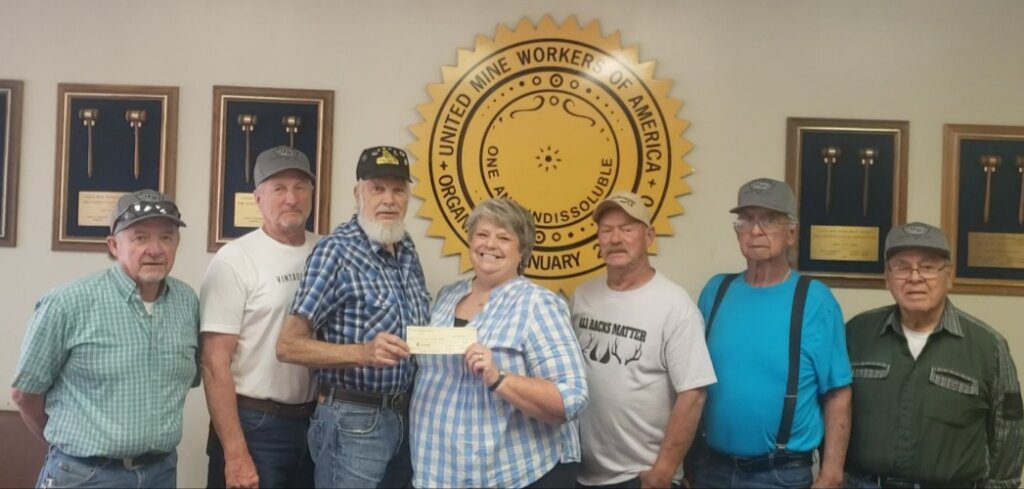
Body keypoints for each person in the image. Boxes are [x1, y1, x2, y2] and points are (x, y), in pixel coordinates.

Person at [11, 190, 197, 489]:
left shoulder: (187, 303)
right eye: (139, 238)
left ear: (177, 243)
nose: (155, 249)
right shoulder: (67, 303)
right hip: (84, 476)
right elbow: (25, 394)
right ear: (114, 245)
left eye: (166, 237)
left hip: (160, 473)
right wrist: (70, 447)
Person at [276, 146, 429, 488]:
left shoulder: (406, 248)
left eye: (398, 189)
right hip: (353, 420)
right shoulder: (336, 251)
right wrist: (362, 353)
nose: (389, 199)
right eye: (378, 188)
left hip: (404, 417)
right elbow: (288, 346)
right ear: (358, 193)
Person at [411, 198, 589, 488]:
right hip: (437, 472)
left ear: (522, 251)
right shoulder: (446, 297)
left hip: (510, 476)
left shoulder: (538, 304)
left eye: (504, 237)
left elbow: (572, 397)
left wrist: (499, 378)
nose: (490, 244)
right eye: (482, 234)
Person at [693, 178, 852, 488]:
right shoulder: (716, 290)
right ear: (736, 231)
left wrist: (831, 474)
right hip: (711, 469)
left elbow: (838, 393)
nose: (755, 231)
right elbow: (692, 382)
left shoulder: (815, 300)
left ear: (791, 232)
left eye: (768, 220)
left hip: (781, 474)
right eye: (746, 221)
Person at [844, 222, 1024, 488]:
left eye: (928, 267)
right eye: (902, 267)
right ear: (887, 277)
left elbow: (1009, 434)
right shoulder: (855, 334)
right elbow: (831, 411)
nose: (914, 277)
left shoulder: (989, 346)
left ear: (948, 275)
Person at [573, 191, 717, 489]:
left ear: (649, 236)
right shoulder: (582, 296)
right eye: (607, 230)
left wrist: (663, 472)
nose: (615, 239)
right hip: (584, 474)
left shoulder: (675, 306)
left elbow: (693, 394)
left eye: (627, 229)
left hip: (641, 478)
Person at [200, 146, 319, 488]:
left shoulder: (326, 250)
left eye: (299, 187)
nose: (291, 199)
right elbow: (213, 363)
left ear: (311, 193)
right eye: (278, 188)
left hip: (313, 424)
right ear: (257, 197)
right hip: (254, 424)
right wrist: (236, 454)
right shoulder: (235, 260)